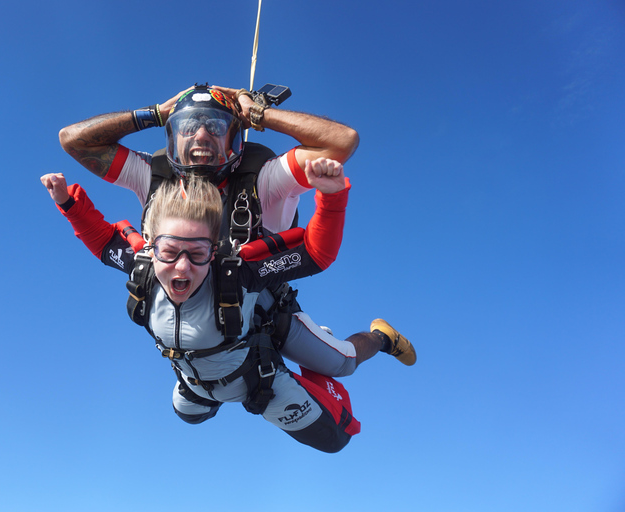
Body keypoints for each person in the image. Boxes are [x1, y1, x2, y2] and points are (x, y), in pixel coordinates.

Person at [58, 84, 416, 382]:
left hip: (264, 304)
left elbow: (342, 142)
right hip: (193, 315)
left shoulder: (264, 178)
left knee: (342, 364)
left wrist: (258, 114)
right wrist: (153, 113)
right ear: (172, 134)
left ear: (236, 137)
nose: (201, 135)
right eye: (188, 125)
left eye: (215, 126)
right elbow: (72, 140)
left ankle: (381, 338)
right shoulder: (153, 173)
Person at [41, 159, 361, 452]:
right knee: (189, 416)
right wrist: (67, 203)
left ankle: (382, 338)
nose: (182, 267)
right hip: (195, 384)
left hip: (258, 381)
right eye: (169, 252)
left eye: (197, 254)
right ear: (151, 248)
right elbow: (103, 241)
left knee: (335, 425)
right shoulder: (143, 267)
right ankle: (211, 396)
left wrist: (332, 198)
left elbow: (315, 254)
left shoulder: (239, 274)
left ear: (213, 252)